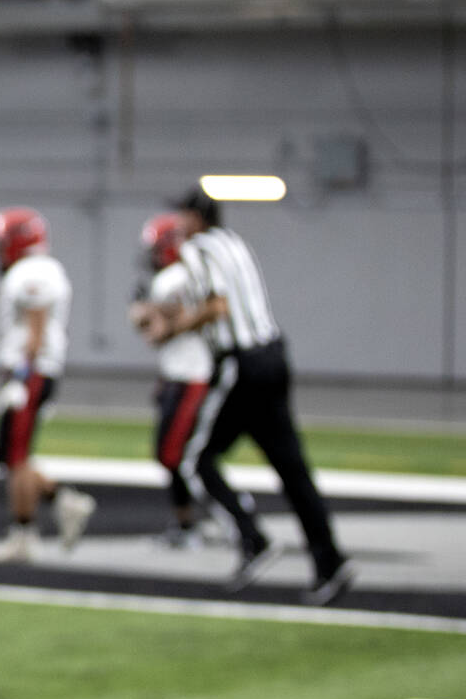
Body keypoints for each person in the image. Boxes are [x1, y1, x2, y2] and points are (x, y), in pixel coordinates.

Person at [148, 186, 351, 605]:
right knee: (292, 468)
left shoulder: (200, 248)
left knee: (191, 458)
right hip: (274, 356)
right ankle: (328, 559)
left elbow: (217, 306)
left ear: (196, 218)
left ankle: (251, 536)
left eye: (183, 217)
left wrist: (174, 327)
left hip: (241, 364)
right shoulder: (235, 243)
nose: (177, 227)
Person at [0, 206, 94, 562]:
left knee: (16, 458)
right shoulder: (42, 268)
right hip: (31, 371)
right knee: (9, 455)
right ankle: (63, 499)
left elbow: (34, 332)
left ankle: (24, 536)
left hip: (30, 372)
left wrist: (20, 377)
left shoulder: (32, 272)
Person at [128, 212, 216, 550]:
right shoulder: (186, 275)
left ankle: (204, 518)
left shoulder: (174, 279)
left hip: (188, 375)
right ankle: (188, 522)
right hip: (182, 374)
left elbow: (159, 332)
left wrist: (143, 315)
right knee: (175, 455)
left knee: (174, 455)